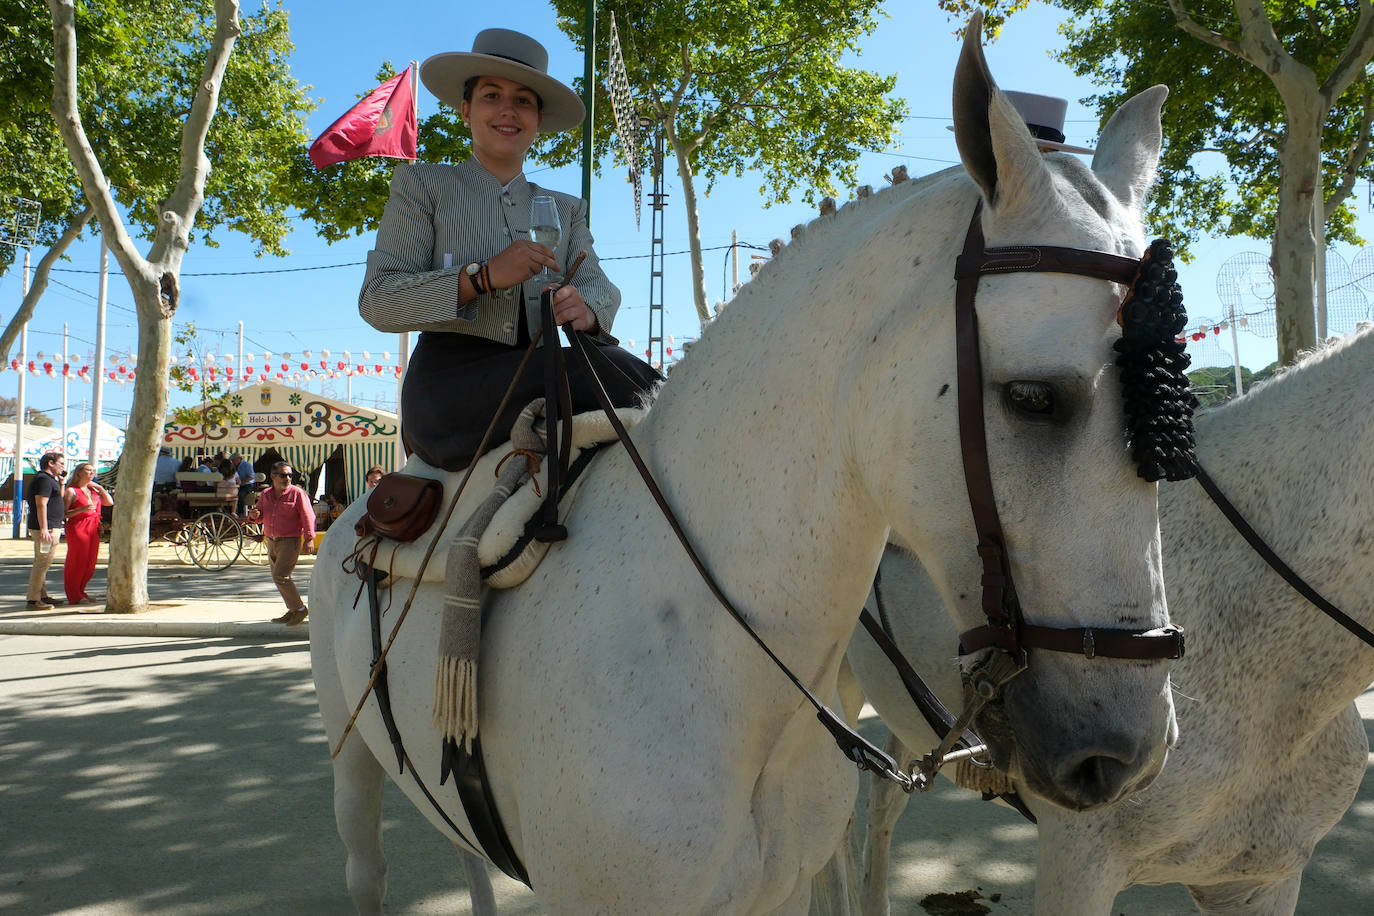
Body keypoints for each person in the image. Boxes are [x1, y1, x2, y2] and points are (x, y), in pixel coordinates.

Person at [358, 28, 660, 472]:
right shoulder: (422, 186)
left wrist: (588, 310)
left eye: (523, 101)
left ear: (538, 119)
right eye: (491, 95)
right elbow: (378, 302)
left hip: (544, 373)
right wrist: (481, 277)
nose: (507, 110)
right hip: (448, 390)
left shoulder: (567, 209)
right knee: (626, 374)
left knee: (621, 374)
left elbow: (599, 286)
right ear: (465, 110)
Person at [247, 461, 315, 626]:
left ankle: (299, 609)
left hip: (289, 541)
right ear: (273, 476)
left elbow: (308, 516)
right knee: (279, 577)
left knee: (280, 576)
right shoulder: (266, 494)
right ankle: (292, 610)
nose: (288, 478)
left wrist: (309, 538)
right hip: (271, 541)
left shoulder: (297, 493)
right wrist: (254, 515)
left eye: (290, 475)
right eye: (284, 475)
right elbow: (260, 516)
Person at [62, 462, 112, 607]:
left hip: (93, 526)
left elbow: (109, 502)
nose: (92, 473)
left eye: (93, 471)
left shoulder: (93, 491)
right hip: (78, 526)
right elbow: (64, 513)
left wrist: (101, 488)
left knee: (90, 562)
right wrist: (82, 509)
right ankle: (74, 594)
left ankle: (81, 591)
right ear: (79, 472)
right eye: (88, 470)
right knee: (77, 560)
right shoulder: (71, 491)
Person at [24, 452, 66, 610]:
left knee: (42, 563)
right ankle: (33, 600)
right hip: (47, 528)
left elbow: (57, 499)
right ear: (50, 463)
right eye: (61, 463)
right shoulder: (43, 480)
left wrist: (61, 484)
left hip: (50, 526)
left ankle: (42, 595)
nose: (63, 467)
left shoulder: (50, 480)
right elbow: (41, 504)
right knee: (42, 563)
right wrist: (44, 529)